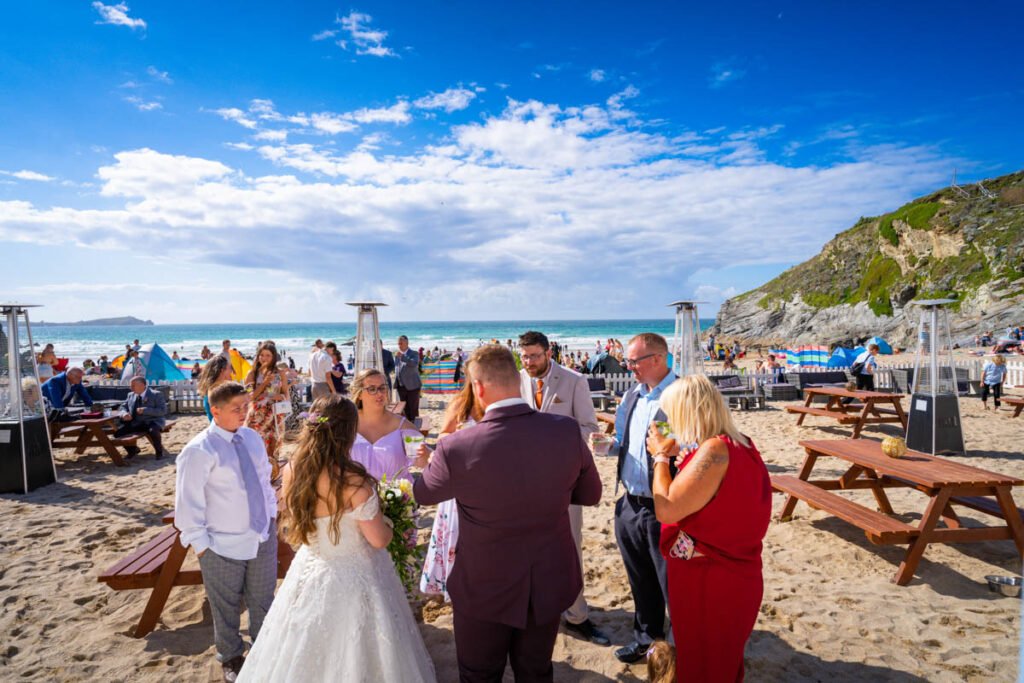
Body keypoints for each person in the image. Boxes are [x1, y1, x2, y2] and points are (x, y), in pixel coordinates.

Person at [414, 345, 602, 683]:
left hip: (484, 585)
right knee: (536, 671)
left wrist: (426, 466)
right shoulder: (565, 431)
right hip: (547, 578)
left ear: (479, 388)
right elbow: (591, 494)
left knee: (479, 674)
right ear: (518, 381)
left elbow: (424, 493)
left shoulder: (456, 447)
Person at [237, 394, 436, 683]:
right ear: (348, 432)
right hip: (357, 575)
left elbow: (292, 512)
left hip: (311, 566)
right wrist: (393, 523)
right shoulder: (355, 481)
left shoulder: (293, 470)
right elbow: (379, 539)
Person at [645, 375, 771, 681]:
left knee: (706, 664)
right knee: (718, 663)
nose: (669, 420)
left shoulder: (714, 451)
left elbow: (667, 508)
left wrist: (660, 457)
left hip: (713, 583)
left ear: (687, 411)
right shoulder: (738, 443)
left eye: (671, 412)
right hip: (728, 573)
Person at [175, 382, 277, 683]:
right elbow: (187, 504)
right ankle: (231, 657)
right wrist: (202, 547)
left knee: (262, 599)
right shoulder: (198, 450)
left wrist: (271, 516)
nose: (244, 413)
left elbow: (263, 480)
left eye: (246, 406)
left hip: (261, 536)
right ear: (215, 411)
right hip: (221, 544)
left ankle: (264, 650)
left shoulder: (252, 438)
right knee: (225, 607)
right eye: (237, 408)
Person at [517, 330, 609, 647]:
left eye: (535, 356)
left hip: (564, 484)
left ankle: (577, 615)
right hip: (523, 486)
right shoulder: (514, 381)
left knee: (569, 548)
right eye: (524, 356)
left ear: (548, 353)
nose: (529, 362)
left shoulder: (573, 381)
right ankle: (538, 609)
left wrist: (551, 442)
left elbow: (588, 427)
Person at [610, 333, 677, 664]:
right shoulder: (633, 394)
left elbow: (693, 447)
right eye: (629, 361)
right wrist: (608, 445)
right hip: (629, 502)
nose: (629, 366)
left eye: (635, 361)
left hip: (665, 505)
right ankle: (646, 642)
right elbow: (622, 438)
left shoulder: (680, 396)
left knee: (673, 586)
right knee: (640, 580)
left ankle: (677, 652)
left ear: (658, 359)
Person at [420, 368, 484, 601]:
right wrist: (461, 439)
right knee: (458, 535)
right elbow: (442, 438)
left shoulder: (498, 403)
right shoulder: (460, 404)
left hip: (489, 482)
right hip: (461, 481)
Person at [350, 368, 427, 483]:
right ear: (359, 394)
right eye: (372, 389)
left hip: (395, 496)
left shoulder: (402, 427)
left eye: (382, 388)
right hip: (356, 496)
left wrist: (425, 454)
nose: (380, 393)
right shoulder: (347, 424)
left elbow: (422, 461)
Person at [244, 342, 291, 482]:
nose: (264, 358)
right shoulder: (251, 374)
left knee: (274, 445)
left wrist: (280, 396)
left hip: (275, 415)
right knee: (257, 445)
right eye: (261, 355)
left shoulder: (280, 373)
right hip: (258, 417)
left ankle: (271, 475)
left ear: (273, 357)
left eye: (268, 355)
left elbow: (286, 395)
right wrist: (264, 383)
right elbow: (249, 396)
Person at [115, 377, 169, 459]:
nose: (131, 388)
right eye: (131, 385)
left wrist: (146, 410)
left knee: (153, 431)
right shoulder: (130, 395)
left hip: (153, 421)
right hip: (136, 422)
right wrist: (124, 414)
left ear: (142, 385)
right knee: (118, 433)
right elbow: (122, 408)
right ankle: (133, 450)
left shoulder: (156, 394)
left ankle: (159, 452)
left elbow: (163, 411)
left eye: (133, 385)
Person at [395, 335, 422, 422]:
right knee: (404, 409)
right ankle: (407, 427)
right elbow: (397, 368)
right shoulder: (397, 355)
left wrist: (402, 357)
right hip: (401, 386)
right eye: (398, 343)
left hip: (412, 386)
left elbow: (413, 364)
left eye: (401, 343)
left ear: (407, 343)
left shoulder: (414, 354)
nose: (399, 345)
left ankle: (414, 429)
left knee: (413, 409)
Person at [198, 355, 233, 422]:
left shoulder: (214, 387)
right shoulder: (215, 390)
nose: (231, 371)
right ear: (222, 371)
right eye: (230, 368)